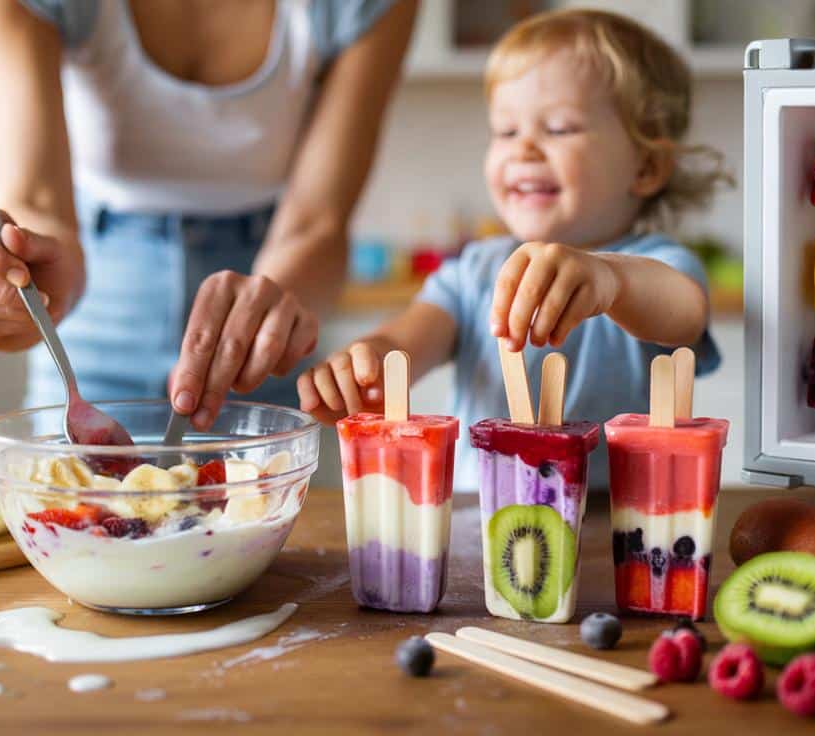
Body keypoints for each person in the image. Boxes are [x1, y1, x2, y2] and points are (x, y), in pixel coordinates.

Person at [297, 8, 730, 489]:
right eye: (506, 131)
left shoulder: (657, 266)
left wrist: (610, 278)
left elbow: (684, 311)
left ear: (647, 166)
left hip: (608, 536)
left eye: (560, 128)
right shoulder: (474, 272)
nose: (523, 149)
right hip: (482, 534)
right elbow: (402, 346)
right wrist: (361, 369)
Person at [0, 0, 417, 431]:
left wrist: (268, 318)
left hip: (266, 313)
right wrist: (23, 284)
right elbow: (35, 201)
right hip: (94, 316)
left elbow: (318, 223)